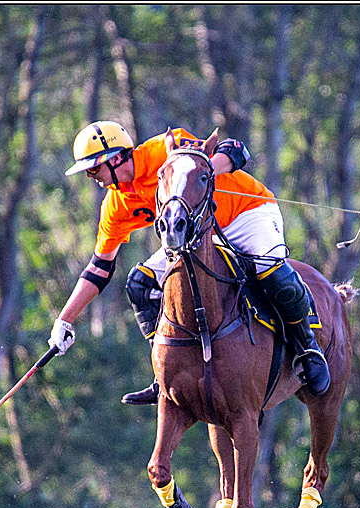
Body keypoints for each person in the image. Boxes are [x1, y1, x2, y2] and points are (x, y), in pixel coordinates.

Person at [49, 120, 330, 403]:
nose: (90, 175)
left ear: (117, 157)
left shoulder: (164, 148)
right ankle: (165, 372)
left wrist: (204, 168)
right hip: (197, 235)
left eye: (93, 167)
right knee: (139, 284)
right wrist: (64, 320)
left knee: (273, 274)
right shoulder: (116, 204)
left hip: (247, 213)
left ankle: (307, 347)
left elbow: (236, 151)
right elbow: (99, 268)